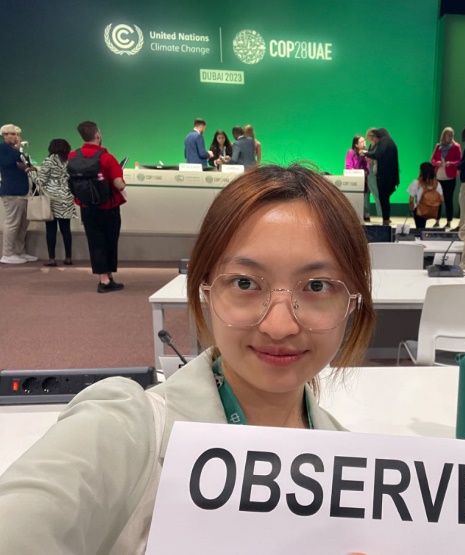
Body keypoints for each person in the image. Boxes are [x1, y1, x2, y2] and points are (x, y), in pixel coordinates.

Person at [0, 164, 376, 553]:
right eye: (244, 282)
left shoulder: (363, 474)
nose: (279, 327)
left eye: (317, 285)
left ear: (352, 300)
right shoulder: (125, 429)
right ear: (205, 290)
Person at [69, 121, 127, 293]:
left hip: (86, 206)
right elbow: (119, 184)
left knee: (95, 242)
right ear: (97, 135)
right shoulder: (107, 158)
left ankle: (105, 277)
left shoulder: (73, 156)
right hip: (108, 207)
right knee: (109, 242)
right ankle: (106, 280)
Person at [0, 123, 38, 264]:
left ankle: (19, 251)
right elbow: (9, 162)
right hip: (12, 191)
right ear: (5, 135)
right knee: (12, 223)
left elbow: (24, 164)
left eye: (17, 134)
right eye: (13, 134)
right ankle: (7, 253)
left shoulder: (14, 150)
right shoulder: (3, 149)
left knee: (22, 224)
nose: (16, 137)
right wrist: (17, 148)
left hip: (23, 191)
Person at [35, 138, 76, 266]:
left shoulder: (49, 161)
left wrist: (32, 173)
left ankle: (52, 259)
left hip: (51, 198)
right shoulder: (70, 161)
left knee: (51, 230)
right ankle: (68, 257)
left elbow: (41, 180)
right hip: (66, 197)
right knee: (66, 230)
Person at [362, 128, 399, 226]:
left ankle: (385, 219)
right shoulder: (390, 141)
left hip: (385, 176)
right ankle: (386, 218)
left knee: (383, 197)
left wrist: (365, 153)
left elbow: (377, 154)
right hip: (390, 175)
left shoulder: (384, 141)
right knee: (384, 198)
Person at [430, 126, 462, 229]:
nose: (451, 137)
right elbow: (432, 160)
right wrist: (437, 162)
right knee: (438, 200)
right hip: (438, 177)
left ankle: (448, 221)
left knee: (448, 200)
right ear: (444, 135)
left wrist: (450, 163)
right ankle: (437, 221)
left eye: (452, 135)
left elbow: (459, 161)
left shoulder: (456, 146)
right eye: (449, 135)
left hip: (450, 178)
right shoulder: (438, 146)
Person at [407, 162, 443, 229]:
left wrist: (412, 209)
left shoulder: (416, 182)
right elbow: (441, 199)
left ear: (421, 171)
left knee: (420, 228)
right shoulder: (437, 183)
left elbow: (411, 200)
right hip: (433, 209)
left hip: (420, 210)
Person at [345, 135, 370, 221]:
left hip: (363, 179)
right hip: (353, 179)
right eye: (361, 142)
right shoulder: (351, 152)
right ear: (356, 144)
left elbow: (367, 166)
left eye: (364, 141)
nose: (364, 143)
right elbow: (348, 166)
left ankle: (366, 214)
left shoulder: (366, 153)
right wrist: (357, 173)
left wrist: (366, 171)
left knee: (366, 195)